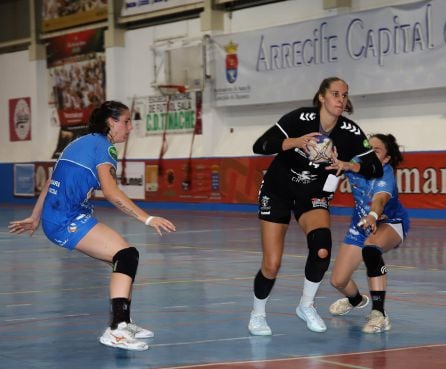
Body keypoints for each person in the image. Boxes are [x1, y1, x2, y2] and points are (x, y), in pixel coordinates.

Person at [8, 100, 176, 351]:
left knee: (124, 261)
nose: (130, 128)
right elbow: (111, 192)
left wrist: (35, 217)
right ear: (111, 122)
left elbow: (53, 179)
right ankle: (117, 330)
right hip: (66, 219)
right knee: (126, 256)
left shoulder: (79, 142)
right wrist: (147, 218)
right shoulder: (103, 147)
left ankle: (124, 321)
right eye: (126, 121)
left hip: (60, 216)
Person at [248, 77, 383, 335]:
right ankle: (257, 314)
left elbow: (374, 167)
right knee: (272, 264)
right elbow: (260, 145)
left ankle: (306, 305)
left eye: (344, 95)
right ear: (321, 96)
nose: (341, 100)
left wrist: (348, 165)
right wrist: (294, 142)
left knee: (321, 249)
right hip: (277, 190)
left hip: (312, 195)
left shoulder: (349, 132)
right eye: (335, 94)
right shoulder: (299, 119)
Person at [329, 133, 409, 333]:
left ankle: (379, 314)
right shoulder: (355, 162)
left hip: (390, 223)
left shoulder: (385, 174)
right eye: (368, 149)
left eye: (377, 151)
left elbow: (380, 199)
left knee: (371, 250)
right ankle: (356, 300)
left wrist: (373, 214)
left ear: (386, 159)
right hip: (360, 224)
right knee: (338, 280)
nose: (369, 154)